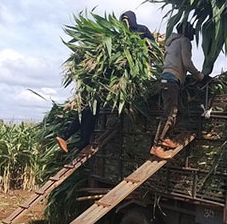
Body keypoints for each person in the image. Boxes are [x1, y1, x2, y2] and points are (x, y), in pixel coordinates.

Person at [55, 11, 155, 153]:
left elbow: (152, 47)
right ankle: (79, 141)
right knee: (90, 110)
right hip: (111, 81)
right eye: (124, 20)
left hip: (102, 80)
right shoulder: (130, 32)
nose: (125, 23)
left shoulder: (127, 33)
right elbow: (152, 46)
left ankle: (66, 136)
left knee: (88, 110)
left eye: (127, 20)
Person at [150, 22, 205, 159]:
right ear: (186, 31)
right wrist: (200, 76)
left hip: (167, 79)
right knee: (170, 113)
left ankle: (166, 137)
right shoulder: (184, 41)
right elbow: (187, 63)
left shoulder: (172, 42)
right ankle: (156, 145)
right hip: (171, 80)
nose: (193, 34)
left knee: (178, 109)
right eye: (192, 31)